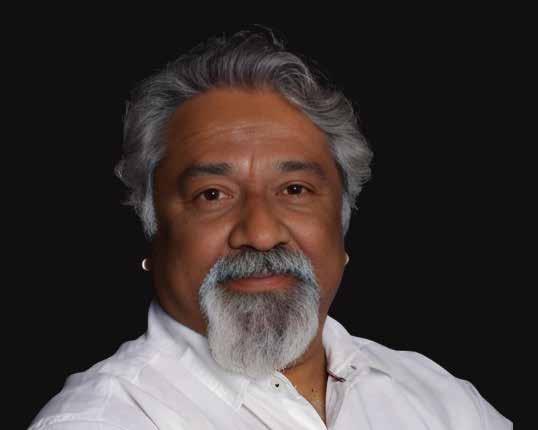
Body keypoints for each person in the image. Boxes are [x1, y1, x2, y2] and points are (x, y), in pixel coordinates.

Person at [29, 26, 512, 429]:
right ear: (152, 235)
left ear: (341, 224)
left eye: (295, 189)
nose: (260, 234)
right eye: (212, 195)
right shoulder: (101, 420)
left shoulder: (441, 400)